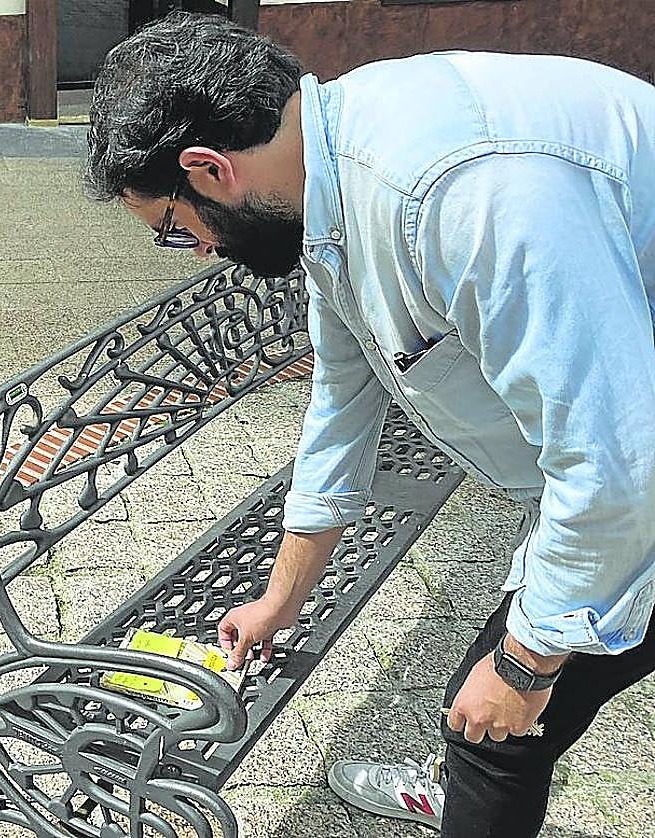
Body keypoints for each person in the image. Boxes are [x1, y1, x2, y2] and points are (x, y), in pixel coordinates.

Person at [83, 12, 655, 838]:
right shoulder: (331, 169)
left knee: (495, 725)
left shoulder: (460, 191)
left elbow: (621, 458)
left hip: (633, 456)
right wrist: (281, 599)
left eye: (176, 228)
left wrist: (525, 664)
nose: (197, 249)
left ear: (209, 169)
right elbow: (341, 402)